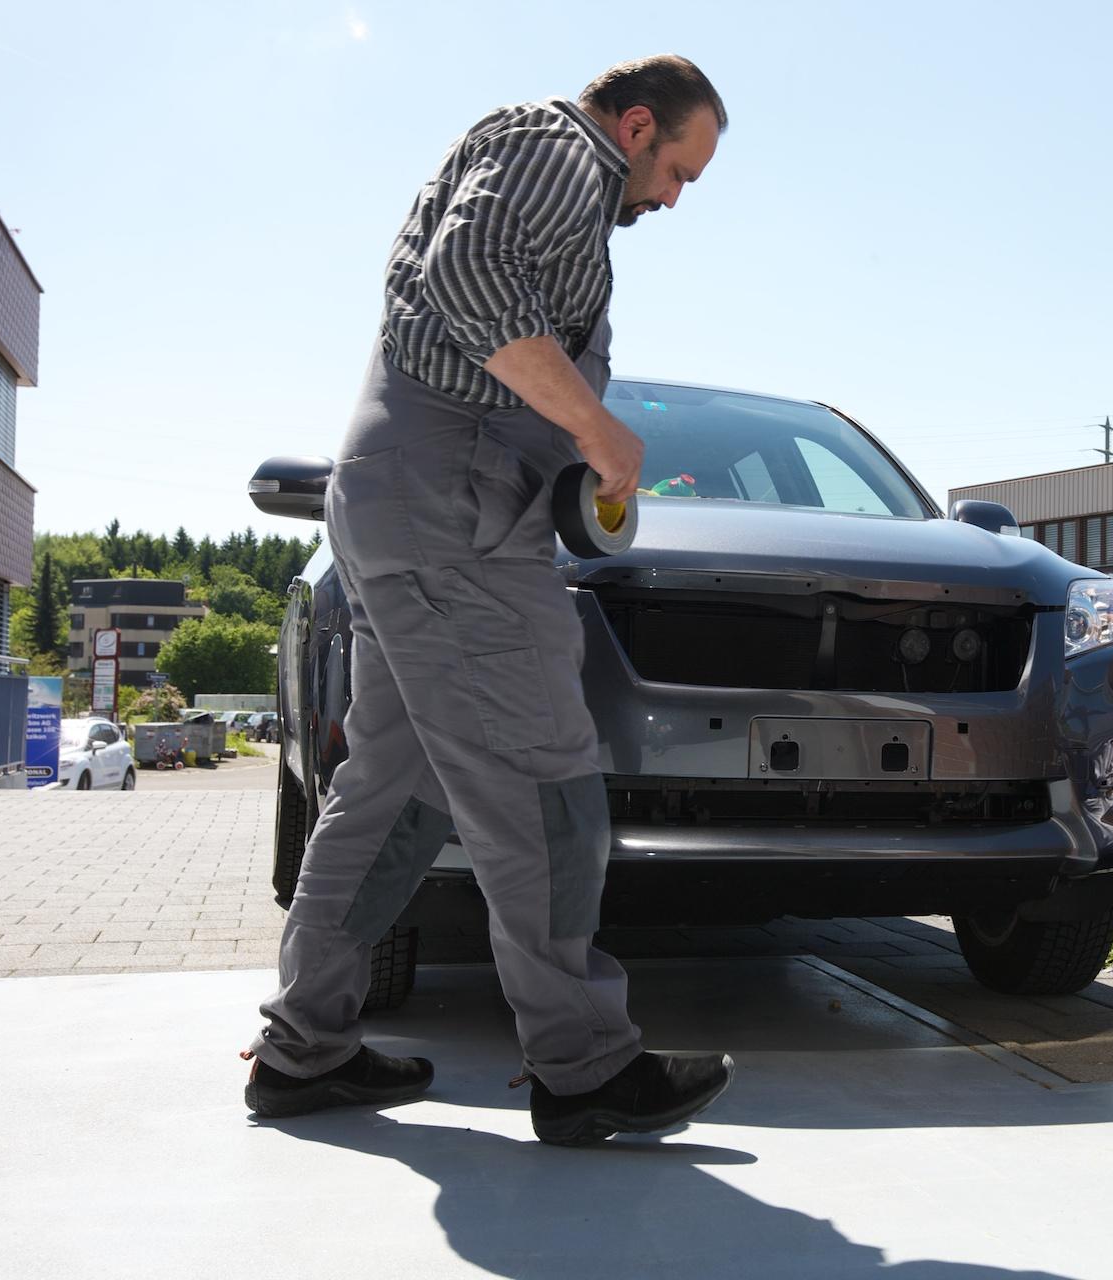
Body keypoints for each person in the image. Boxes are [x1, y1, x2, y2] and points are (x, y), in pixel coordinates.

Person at [244, 56, 734, 1145]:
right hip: (451, 515)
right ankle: (584, 1064)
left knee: (390, 793)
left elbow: (473, 304)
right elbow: (471, 276)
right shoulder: (567, 149)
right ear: (637, 124)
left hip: (406, 500)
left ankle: (303, 1047)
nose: (670, 197)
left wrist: (579, 445)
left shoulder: (523, 154)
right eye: (677, 171)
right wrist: (600, 430)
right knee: (546, 774)